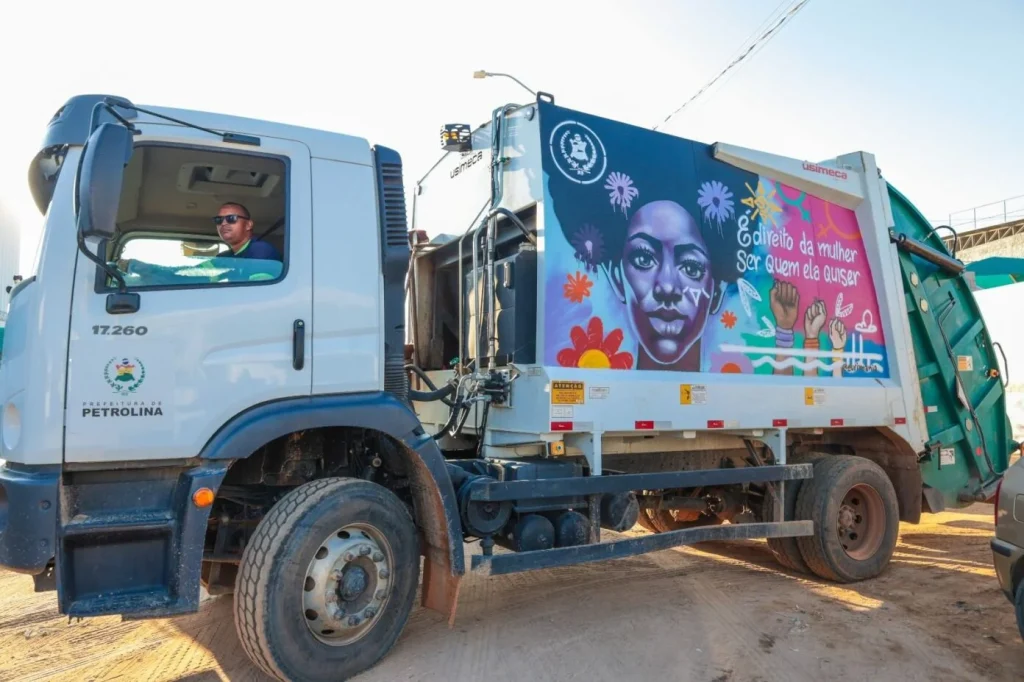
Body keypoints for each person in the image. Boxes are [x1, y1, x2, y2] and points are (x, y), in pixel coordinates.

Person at [214, 202, 282, 261]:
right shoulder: (222, 257)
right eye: (219, 220)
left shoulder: (260, 249)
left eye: (231, 218)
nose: (223, 223)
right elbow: (204, 271)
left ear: (248, 225)